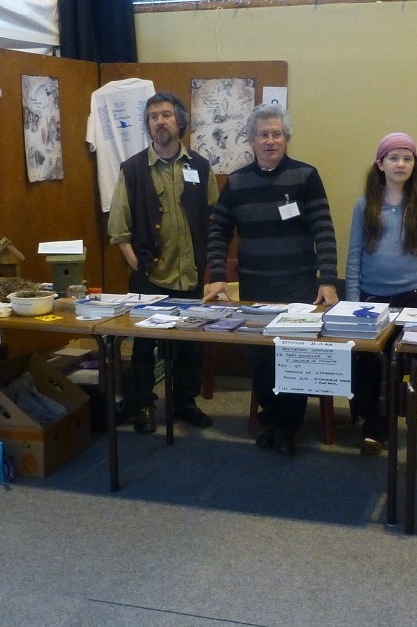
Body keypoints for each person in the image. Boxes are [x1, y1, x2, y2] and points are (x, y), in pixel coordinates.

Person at [203, 103, 339, 456]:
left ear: (287, 138)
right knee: (261, 359)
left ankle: (284, 426)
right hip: (256, 287)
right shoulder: (236, 181)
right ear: (250, 139)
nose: (270, 141)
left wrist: (328, 280)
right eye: (263, 134)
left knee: (294, 355)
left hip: (298, 286)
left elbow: (324, 230)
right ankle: (276, 418)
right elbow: (218, 232)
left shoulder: (306, 177)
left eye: (276, 134)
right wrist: (218, 277)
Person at [107, 92, 218, 434]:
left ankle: (184, 402)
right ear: (148, 125)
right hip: (149, 276)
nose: (160, 121)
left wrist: (208, 265)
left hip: (189, 274)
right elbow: (118, 228)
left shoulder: (199, 166)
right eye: (153, 116)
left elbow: (214, 218)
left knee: (188, 345)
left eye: (166, 114)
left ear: (179, 122)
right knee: (144, 346)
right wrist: (134, 264)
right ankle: (141, 404)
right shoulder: (134, 169)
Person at [345, 132, 417, 455]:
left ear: (414, 165)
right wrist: (352, 302)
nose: (401, 164)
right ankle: (375, 418)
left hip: (411, 298)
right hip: (369, 299)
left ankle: (378, 428)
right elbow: (353, 255)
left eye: (407, 158)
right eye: (393, 158)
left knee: (396, 363)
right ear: (380, 164)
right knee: (367, 363)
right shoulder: (365, 204)